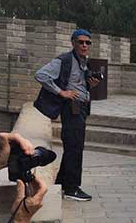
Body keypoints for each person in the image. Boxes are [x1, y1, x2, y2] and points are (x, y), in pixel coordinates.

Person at [34, 28, 100, 202]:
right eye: (81, 42)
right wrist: (61, 92)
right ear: (73, 43)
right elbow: (41, 75)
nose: (84, 45)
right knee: (74, 148)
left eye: (88, 42)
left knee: (73, 146)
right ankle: (72, 188)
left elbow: (77, 84)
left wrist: (89, 86)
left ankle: (63, 182)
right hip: (71, 109)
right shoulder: (65, 60)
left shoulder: (83, 61)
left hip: (81, 109)